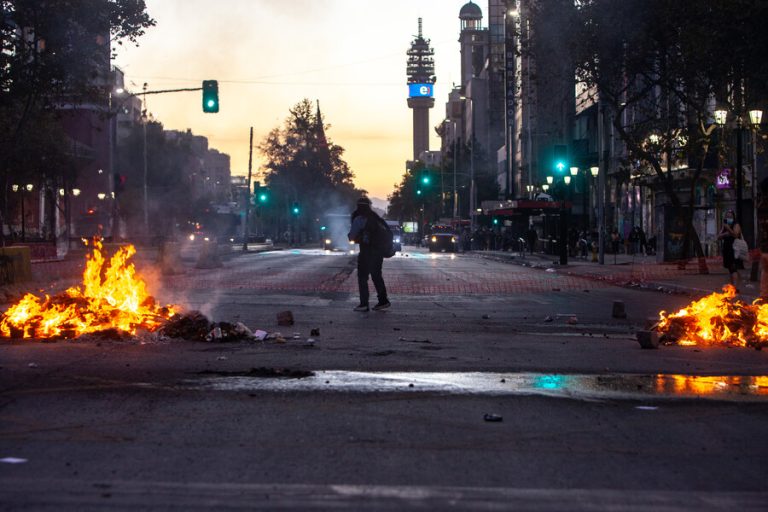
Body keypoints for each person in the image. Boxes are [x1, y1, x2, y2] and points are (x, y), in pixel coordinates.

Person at [348, 197, 390, 312]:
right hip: (378, 253)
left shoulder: (359, 219)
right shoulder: (376, 219)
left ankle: (364, 303)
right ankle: (383, 300)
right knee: (376, 276)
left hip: (366, 252)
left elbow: (351, 236)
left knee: (362, 277)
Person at [718, 209, 743, 291]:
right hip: (727, 248)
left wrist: (728, 228)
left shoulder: (736, 225)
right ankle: (733, 286)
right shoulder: (725, 225)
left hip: (734, 249)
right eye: (727, 216)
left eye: (730, 216)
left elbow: (735, 235)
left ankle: (735, 287)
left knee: (733, 268)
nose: (729, 217)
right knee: (730, 268)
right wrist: (725, 232)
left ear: (733, 217)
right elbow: (719, 236)